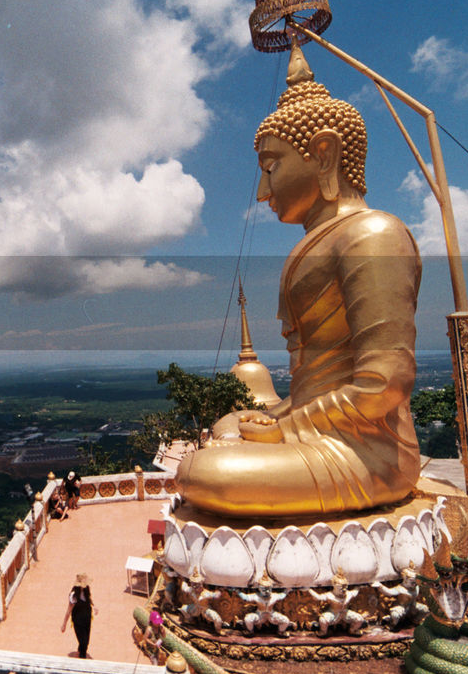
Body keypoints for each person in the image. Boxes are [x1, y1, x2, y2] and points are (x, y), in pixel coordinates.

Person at [177, 43, 422, 518]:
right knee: (227, 428)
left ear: (323, 153)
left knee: (207, 474)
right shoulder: (317, 243)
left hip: (367, 451)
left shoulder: (373, 234)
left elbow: (384, 385)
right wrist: (277, 417)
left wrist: (287, 428)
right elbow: (314, 384)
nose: (263, 191)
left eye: (271, 168)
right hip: (318, 429)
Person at [60, 573, 97, 658]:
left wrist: (94, 606)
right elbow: (69, 610)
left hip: (87, 618)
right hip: (78, 620)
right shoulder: (74, 595)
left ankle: (81, 652)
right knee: (83, 641)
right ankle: (82, 657)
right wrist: (64, 624)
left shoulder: (86, 590)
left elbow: (89, 599)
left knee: (86, 641)